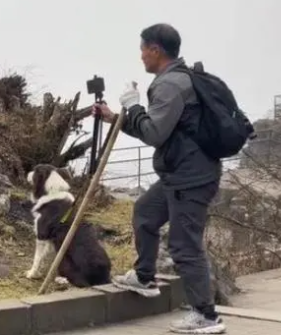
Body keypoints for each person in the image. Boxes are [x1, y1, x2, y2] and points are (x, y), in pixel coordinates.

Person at [92, 23, 226, 334]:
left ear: (155, 50)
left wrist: (133, 105)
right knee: (145, 214)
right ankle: (144, 276)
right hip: (179, 174)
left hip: (190, 179)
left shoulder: (169, 85)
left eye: (142, 49)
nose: (140, 56)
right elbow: (159, 128)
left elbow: (154, 133)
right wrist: (117, 118)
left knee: (184, 245)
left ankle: (206, 316)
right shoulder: (181, 79)